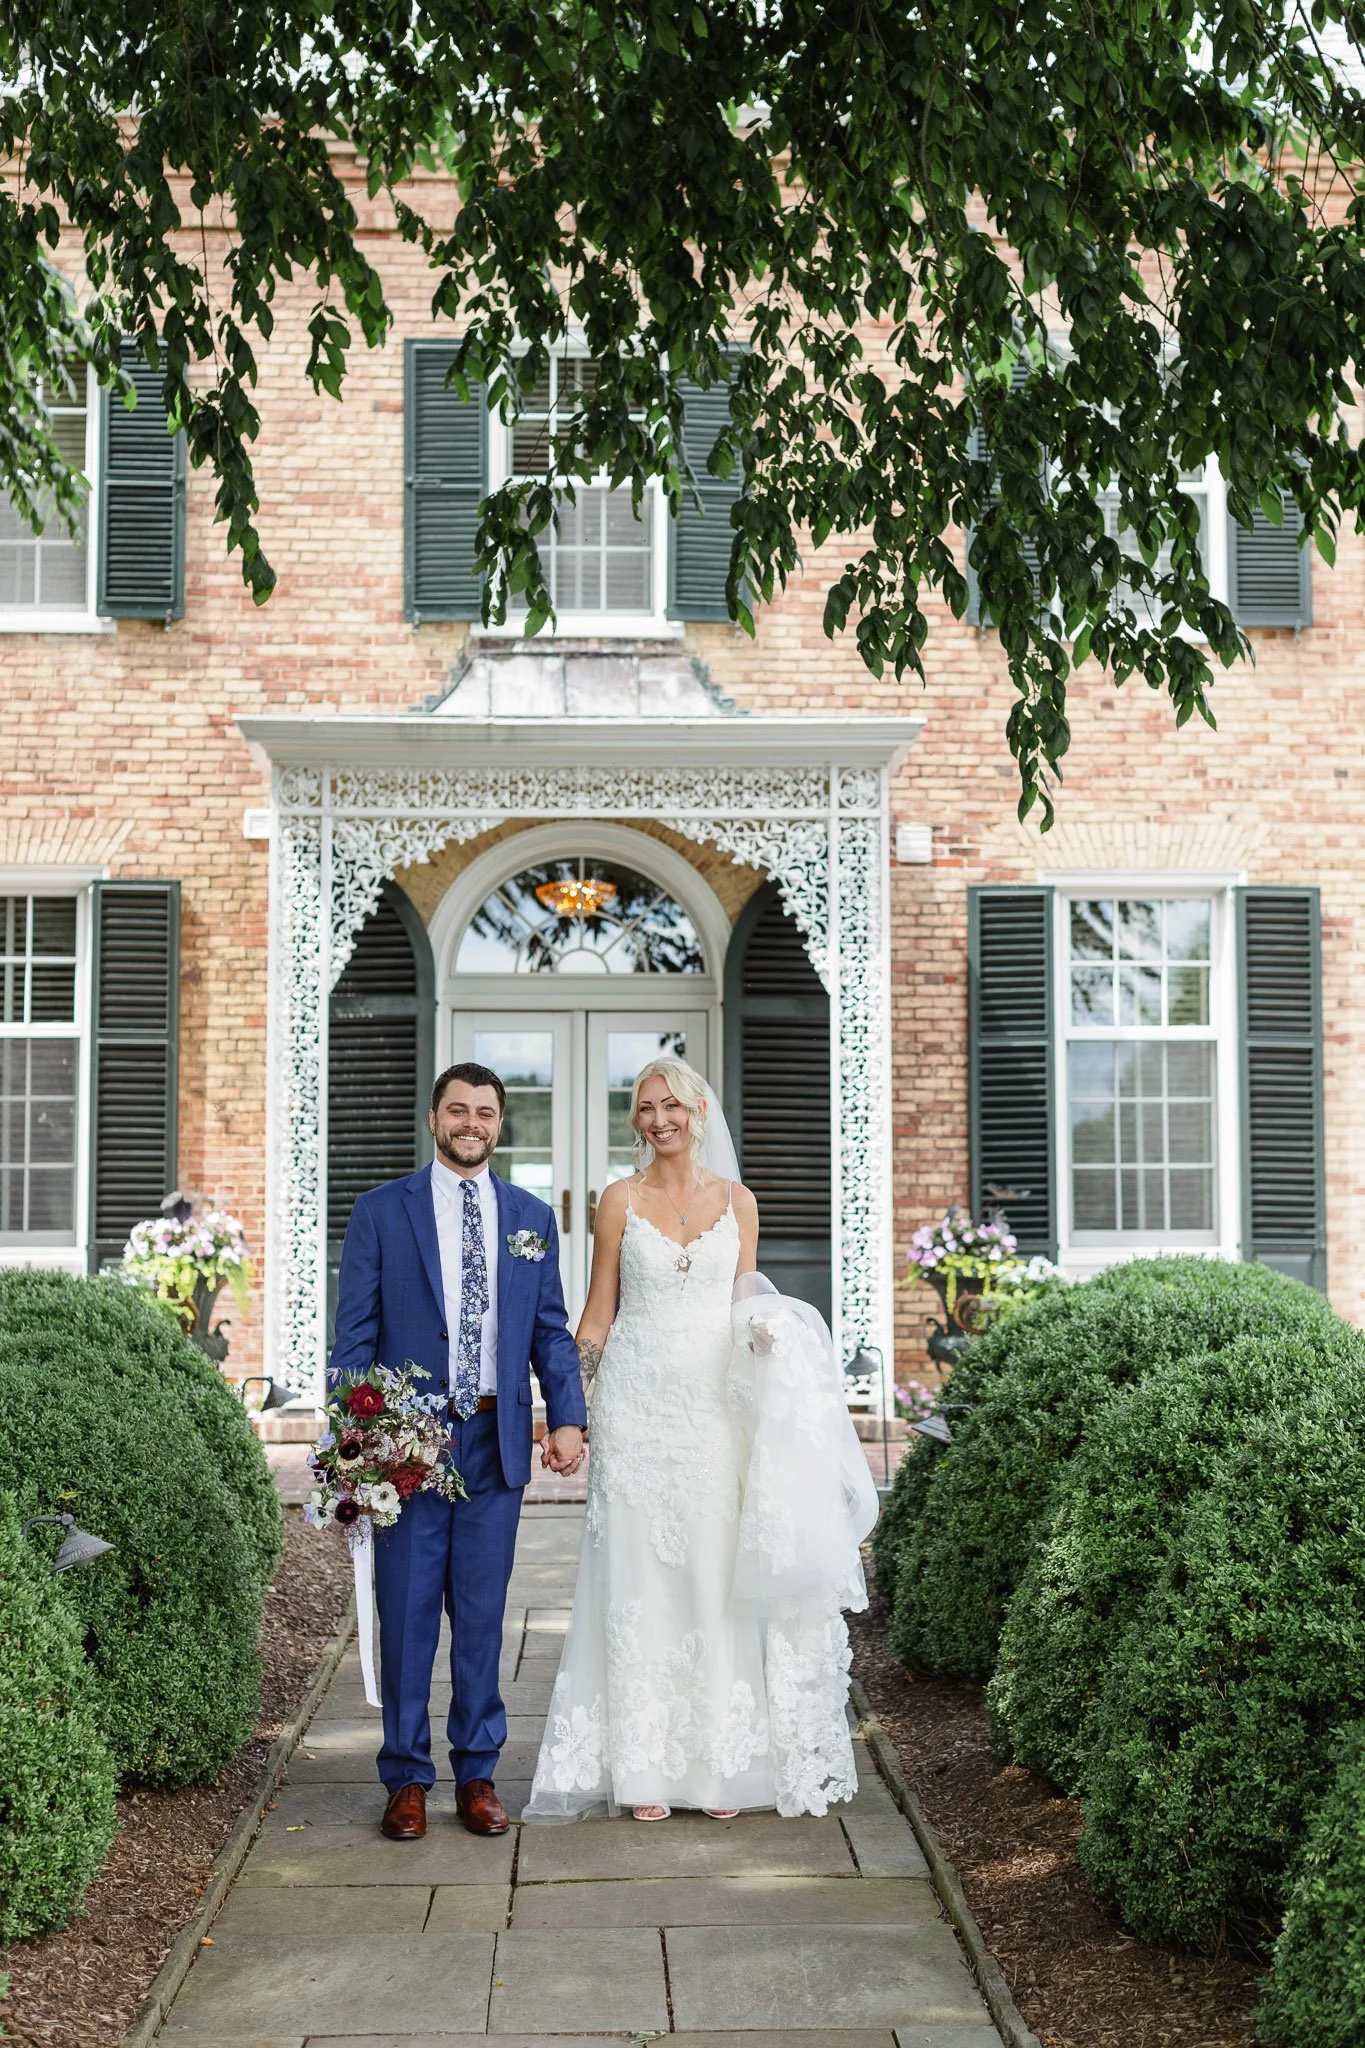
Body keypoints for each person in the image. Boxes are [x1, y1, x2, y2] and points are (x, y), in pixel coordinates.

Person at [524, 1055, 875, 1823]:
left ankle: (722, 1764)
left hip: (714, 1408)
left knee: (717, 1575)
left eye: (671, 1106)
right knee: (637, 1578)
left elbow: (745, 1300)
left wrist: (766, 1341)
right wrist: (564, 1413)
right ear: (636, 1121)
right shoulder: (616, 1201)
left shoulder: (738, 1202)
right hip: (638, 1407)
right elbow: (596, 1315)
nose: (659, 1120)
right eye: (645, 1108)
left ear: (698, 1112)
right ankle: (644, 1767)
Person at [329, 1061, 587, 1842]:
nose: (471, 1123)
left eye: (485, 1113)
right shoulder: (381, 1212)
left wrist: (566, 1416)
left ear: (499, 1124)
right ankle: (406, 1777)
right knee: (406, 1617)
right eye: (457, 1111)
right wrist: (360, 1439)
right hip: (409, 1444)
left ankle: (477, 1773)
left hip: (494, 1442)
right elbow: (355, 1337)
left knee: (479, 1619)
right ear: (433, 1118)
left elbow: (547, 1327)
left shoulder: (530, 1216)